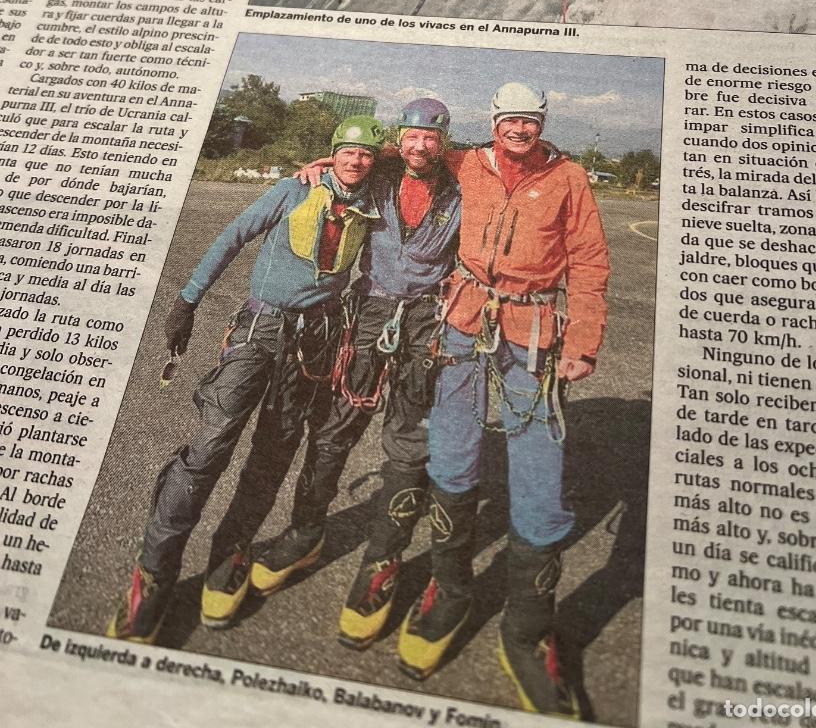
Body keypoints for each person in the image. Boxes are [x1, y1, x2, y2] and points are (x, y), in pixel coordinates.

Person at [106, 115, 385, 644]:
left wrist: (357, 159)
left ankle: (230, 556)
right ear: (332, 153)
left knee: (273, 453)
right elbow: (232, 237)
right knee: (208, 450)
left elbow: (420, 157)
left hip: (315, 341)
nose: (355, 161)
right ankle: (154, 575)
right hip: (259, 329)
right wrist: (188, 300)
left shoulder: (372, 202)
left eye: (366, 154)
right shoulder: (292, 190)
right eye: (345, 152)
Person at [396, 82, 610, 719]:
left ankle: (527, 630)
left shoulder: (567, 177)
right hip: (464, 318)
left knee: (539, 470)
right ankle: (451, 589)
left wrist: (585, 340)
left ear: (542, 124)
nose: (520, 128)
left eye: (531, 120)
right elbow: (406, 155)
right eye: (511, 119)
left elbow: (591, 263)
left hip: (536, 327)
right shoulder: (467, 161)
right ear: (495, 123)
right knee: (452, 451)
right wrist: (326, 164)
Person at [249, 98, 462, 652]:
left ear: (444, 142)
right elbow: (355, 160)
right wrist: (321, 161)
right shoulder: (382, 169)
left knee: (408, 441)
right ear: (400, 140)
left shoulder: (464, 181)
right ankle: (306, 532)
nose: (419, 146)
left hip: (425, 319)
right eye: (410, 137)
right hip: (368, 310)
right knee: (334, 425)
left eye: (430, 138)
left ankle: (382, 562)